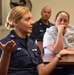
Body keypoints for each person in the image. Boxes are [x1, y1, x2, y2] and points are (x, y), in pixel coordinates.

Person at [0, 6, 74, 75]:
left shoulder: (32, 45)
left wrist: (58, 55)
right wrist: (6, 53)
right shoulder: (5, 44)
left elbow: (42, 72)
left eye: (31, 19)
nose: (32, 22)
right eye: (27, 19)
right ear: (15, 22)